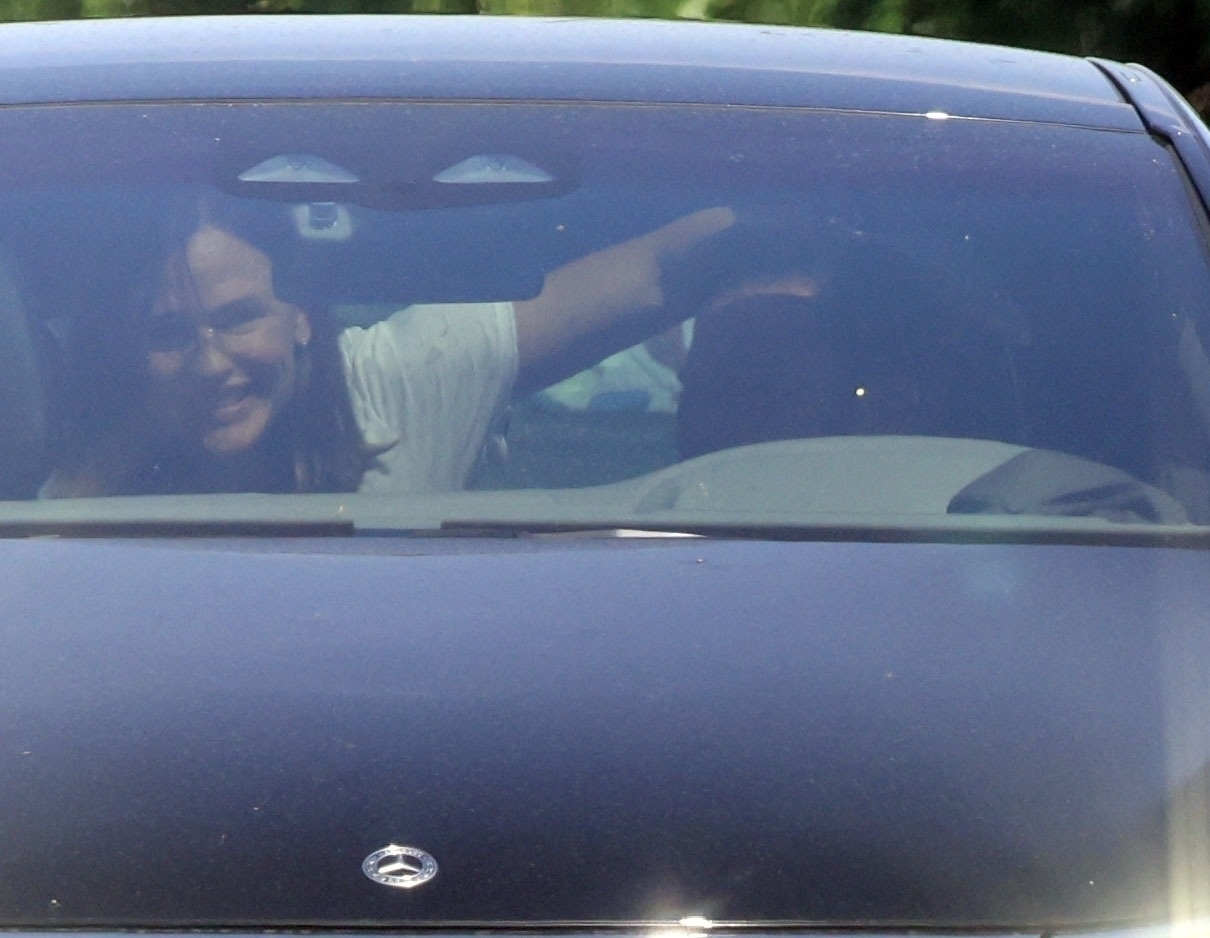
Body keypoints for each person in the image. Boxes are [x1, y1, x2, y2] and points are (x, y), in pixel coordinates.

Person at [41, 199, 734, 497]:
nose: (211, 362)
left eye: (241, 318)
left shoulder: (399, 379)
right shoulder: (97, 487)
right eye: (169, 334)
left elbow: (658, 271)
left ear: (304, 316)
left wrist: (806, 224)